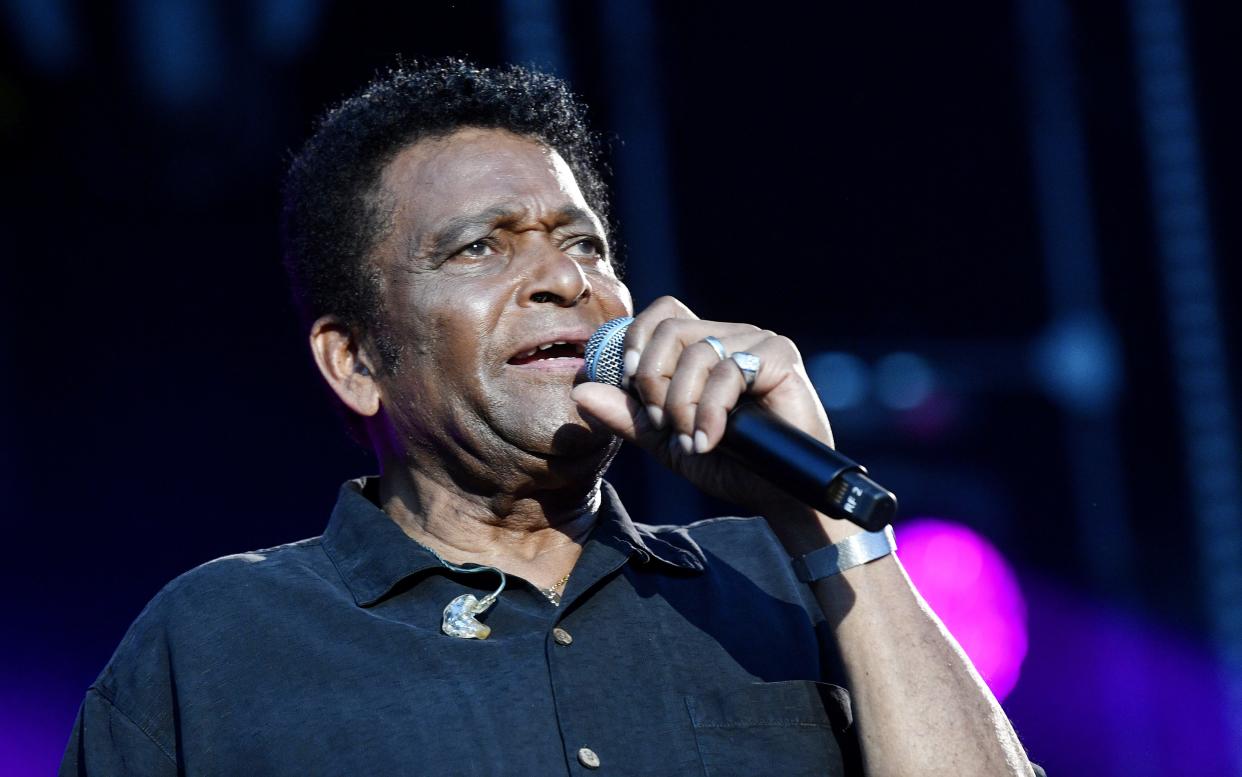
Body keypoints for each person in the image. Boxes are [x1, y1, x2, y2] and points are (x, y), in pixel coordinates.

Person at [61, 59, 1043, 776]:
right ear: (355, 362)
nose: (565, 279)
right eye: (483, 248)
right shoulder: (220, 641)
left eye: (585, 244)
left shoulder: (782, 588)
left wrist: (830, 534)